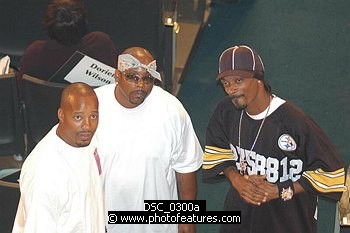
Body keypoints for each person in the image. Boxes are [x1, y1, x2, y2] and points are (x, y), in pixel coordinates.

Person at [202, 45, 345, 233]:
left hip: (287, 220)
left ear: (259, 79)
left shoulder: (294, 122)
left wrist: (280, 190)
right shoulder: (226, 111)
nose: (231, 90)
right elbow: (217, 152)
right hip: (241, 215)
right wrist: (237, 180)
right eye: (226, 83)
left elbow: (332, 175)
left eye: (238, 80)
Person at [94, 47, 203, 233]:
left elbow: (186, 167)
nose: (141, 85)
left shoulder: (172, 111)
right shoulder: (93, 106)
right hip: (103, 223)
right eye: (133, 77)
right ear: (117, 76)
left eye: (148, 79)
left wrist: (187, 221)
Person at [12, 83, 104, 233]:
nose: (87, 125)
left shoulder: (87, 140)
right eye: (78, 117)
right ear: (61, 115)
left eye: (93, 116)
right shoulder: (45, 173)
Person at [17, 0, 118, 88]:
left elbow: (21, 92)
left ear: (49, 27)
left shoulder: (34, 53)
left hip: (44, 109)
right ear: (84, 23)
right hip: (94, 108)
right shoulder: (100, 43)